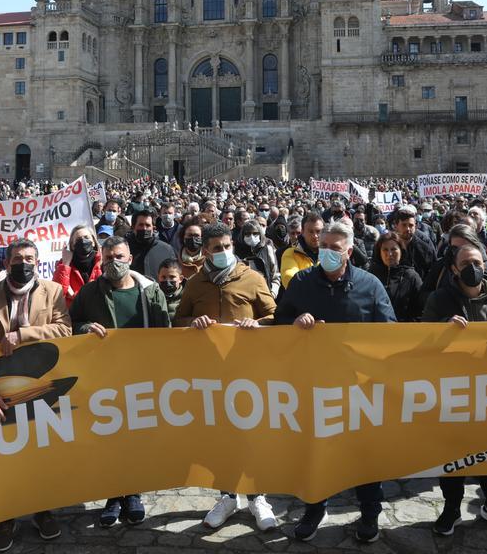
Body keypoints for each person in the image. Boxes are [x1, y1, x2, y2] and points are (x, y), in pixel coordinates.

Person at [274, 221, 396, 544]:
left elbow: (390, 332)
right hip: (315, 385)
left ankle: (370, 513)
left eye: (335, 247)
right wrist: (295, 323)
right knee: (317, 453)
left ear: (350, 252)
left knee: (364, 456)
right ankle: (315, 508)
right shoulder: (301, 283)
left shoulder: (370, 286)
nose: (327, 251)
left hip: (360, 388)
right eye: (323, 245)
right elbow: (279, 319)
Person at [0, 238, 72, 552]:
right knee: (6, 455)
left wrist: (23, 335)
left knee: (40, 453)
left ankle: (43, 510)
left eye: (29, 258)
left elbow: (64, 329)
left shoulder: (52, 291)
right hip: (0, 388)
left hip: (39, 386)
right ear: (6, 262)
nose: (23, 263)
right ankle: (6, 516)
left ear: (37, 262)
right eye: (16, 258)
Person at [174, 224, 278, 532]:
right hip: (211, 374)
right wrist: (194, 321)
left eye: (227, 246)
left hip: (248, 371)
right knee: (221, 435)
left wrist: (257, 323)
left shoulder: (252, 278)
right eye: (217, 248)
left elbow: (275, 315)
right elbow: (179, 319)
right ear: (205, 251)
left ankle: (258, 497)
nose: (224, 252)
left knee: (250, 433)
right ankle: (227, 496)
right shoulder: (194, 284)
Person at [422, 240, 487, 536]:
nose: (473, 268)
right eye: (466, 264)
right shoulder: (439, 300)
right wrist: (442, 327)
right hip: (453, 392)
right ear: (454, 268)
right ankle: (452, 508)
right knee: (452, 453)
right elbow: (422, 343)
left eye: (478, 263)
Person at [71, 236, 170, 529]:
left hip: (140, 376)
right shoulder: (89, 294)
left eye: (120, 256)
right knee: (109, 438)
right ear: (101, 259)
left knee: (136, 436)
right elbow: (69, 324)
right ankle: (113, 495)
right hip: (104, 378)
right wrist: (84, 328)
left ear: (130, 259)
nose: (115, 262)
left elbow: (164, 333)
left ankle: (134, 492)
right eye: (109, 257)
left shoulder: (150, 291)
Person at [367, 231, 425, 321]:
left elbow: (422, 309)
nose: (389, 254)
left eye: (394, 249)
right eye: (385, 250)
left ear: (401, 251)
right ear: (379, 252)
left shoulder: (411, 277)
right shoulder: (371, 276)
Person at [52, 225, 102, 306]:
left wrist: (73, 295)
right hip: (74, 314)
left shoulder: (102, 261)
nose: (83, 241)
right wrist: (65, 264)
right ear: (72, 245)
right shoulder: (64, 265)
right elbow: (57, 294)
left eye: (86, 237)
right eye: (78, 239)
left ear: (93, 241)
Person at [127, 208, 175, 281]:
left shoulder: (166, 249)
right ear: (133, 227)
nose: (144, 228)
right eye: (141, 225)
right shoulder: (125, 249)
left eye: (148, 225)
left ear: (153, 228)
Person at [234, 220, 280, 296]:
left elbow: (275, 275)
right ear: (243, 235)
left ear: (260, 234)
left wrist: (273, 293)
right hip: (243, 295)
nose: (251, 236)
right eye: (247, 234)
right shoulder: (236, 251)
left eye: (255, 233)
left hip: (265, 293)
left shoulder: (267, 249)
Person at [391, 205, 436, 280]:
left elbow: (433, 272)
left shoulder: (425, 248)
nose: (408, 229)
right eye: (404, 225)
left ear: (416, 226)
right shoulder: (388, 246)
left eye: (411, 225)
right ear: (396, 226)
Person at [280, 212, 323, 291]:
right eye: (311, 231)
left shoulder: (331, 252)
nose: (315, 236)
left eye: (318, 231)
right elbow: (289, 278)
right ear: (302, 232)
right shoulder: (290, 253)